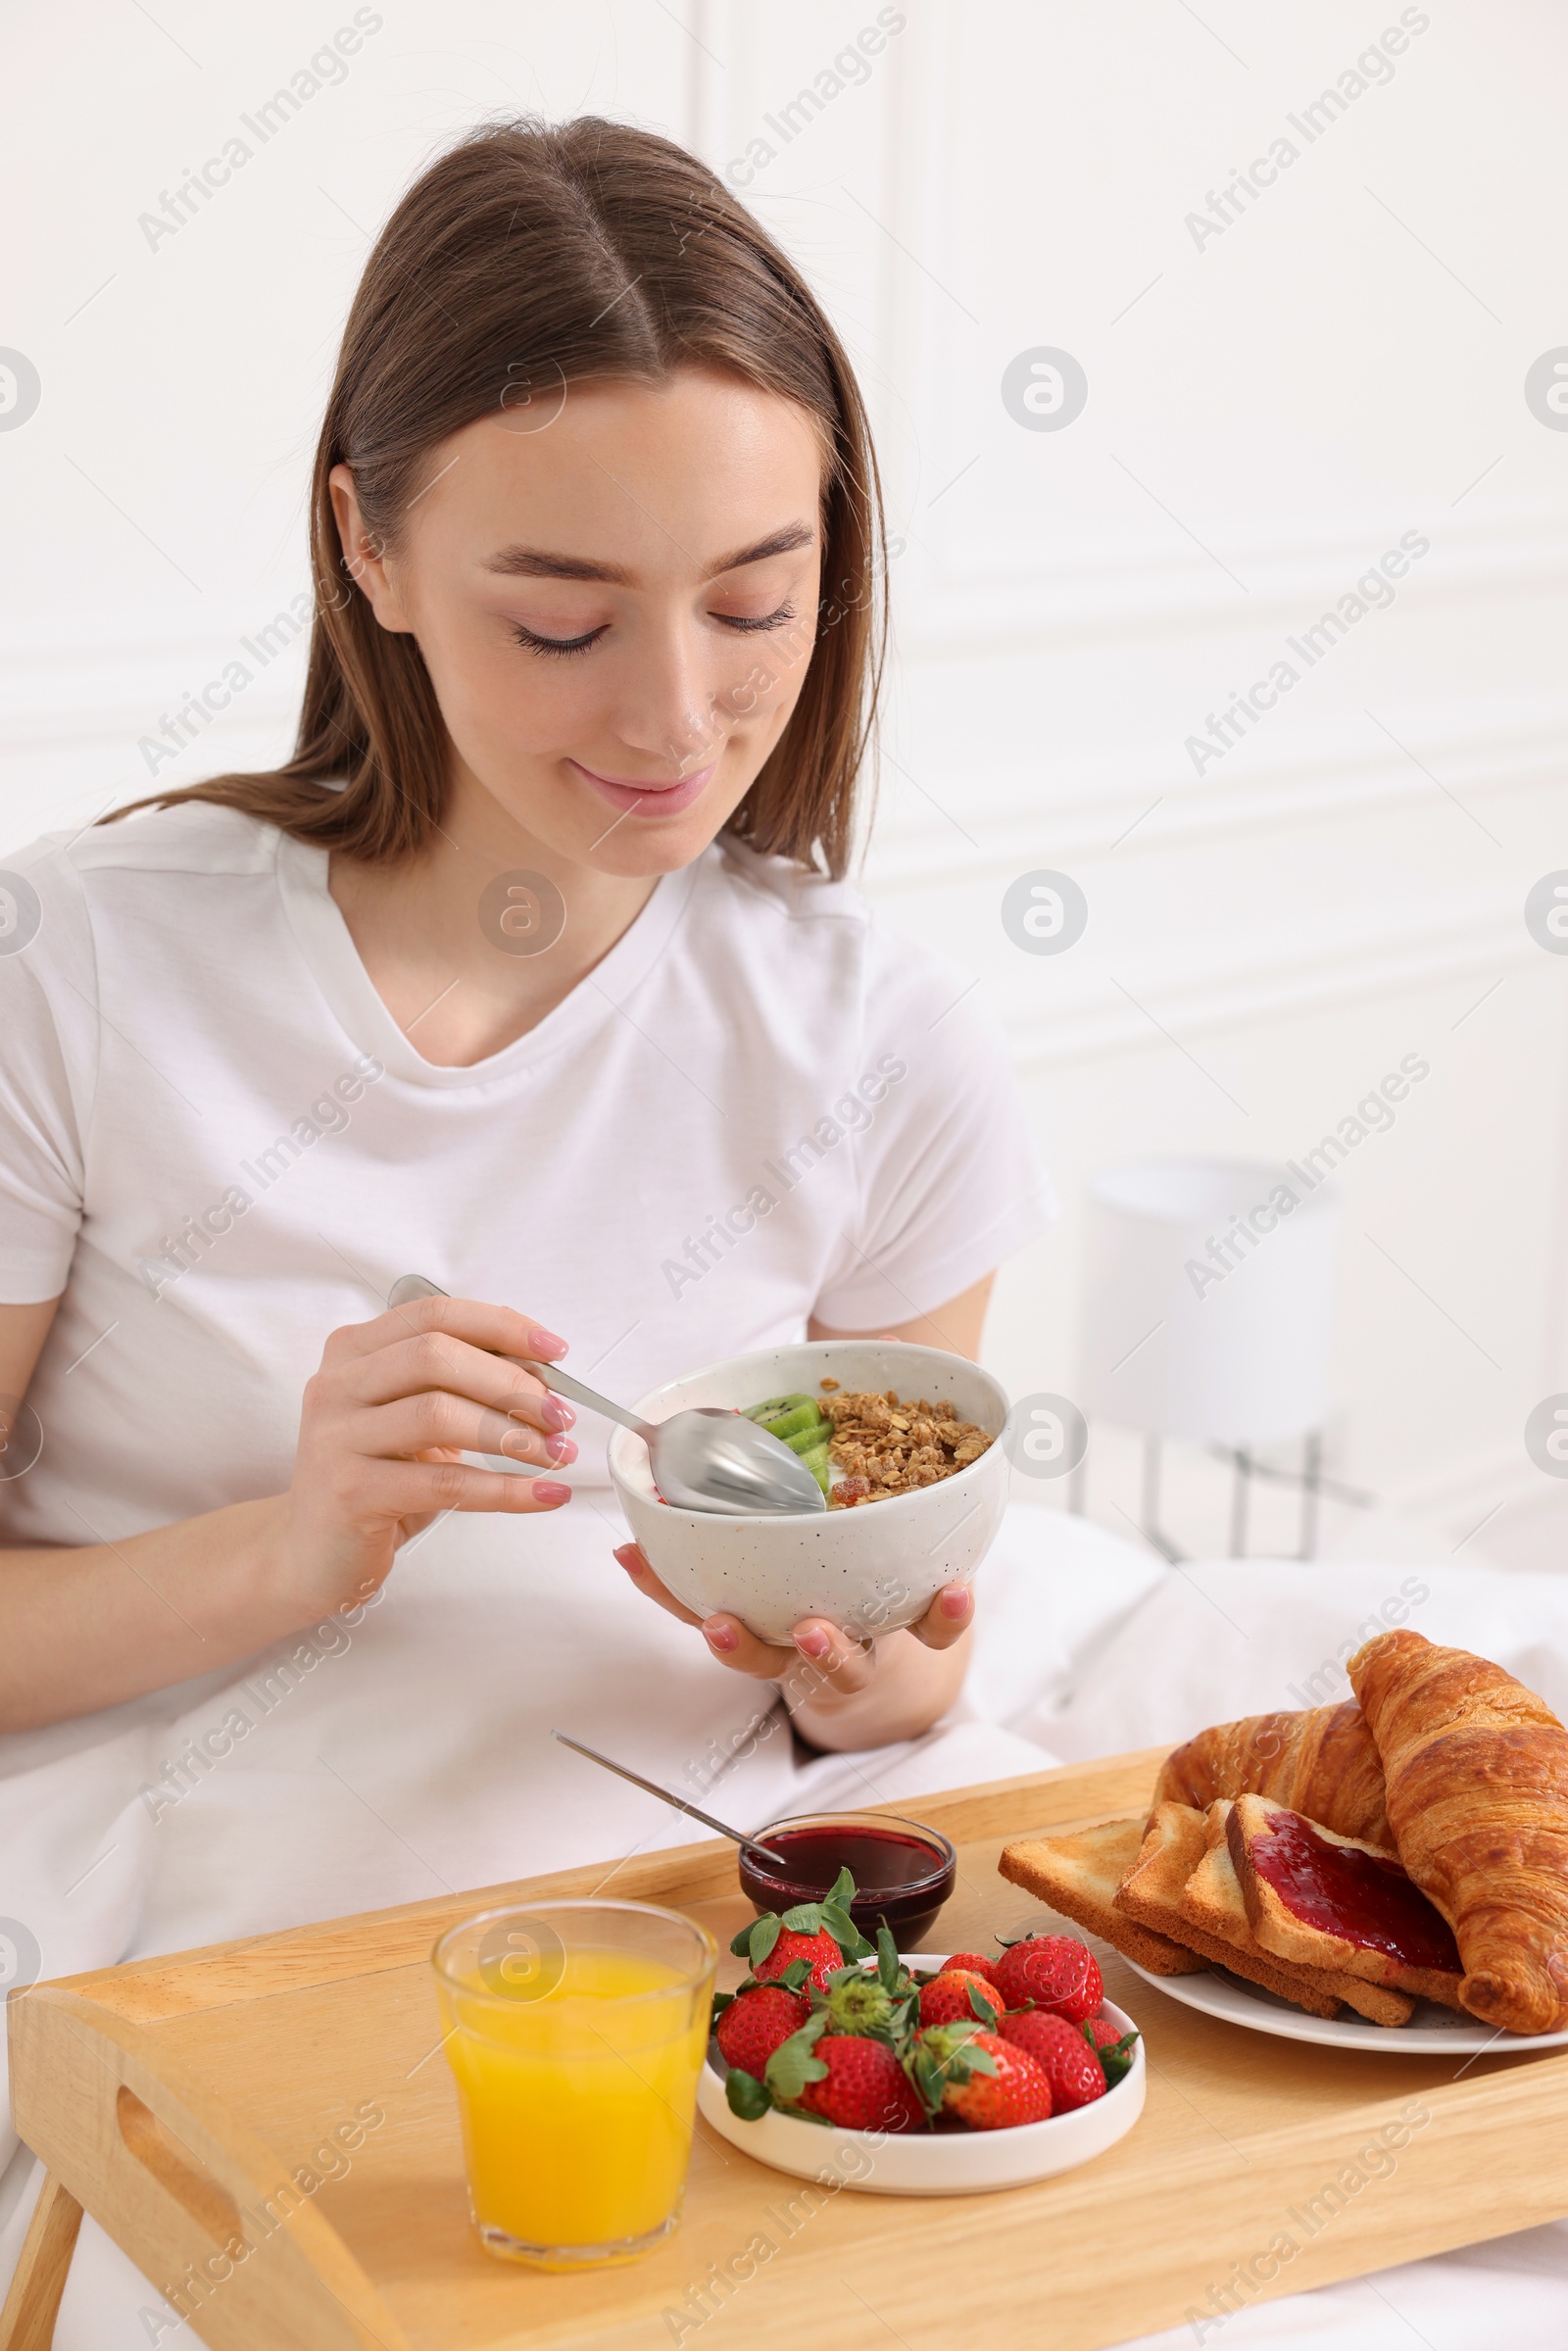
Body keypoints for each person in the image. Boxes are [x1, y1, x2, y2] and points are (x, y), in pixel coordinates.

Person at [0, 119, 1051, 1897]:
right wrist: (297, 1548)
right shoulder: (79, 968)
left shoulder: (883, 1040)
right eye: (563, 626)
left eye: (754, 604)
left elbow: (908, 1662)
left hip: (701, 1875)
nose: (676, 718)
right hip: (209, 1889)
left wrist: (861, 1656)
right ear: (371, 549)